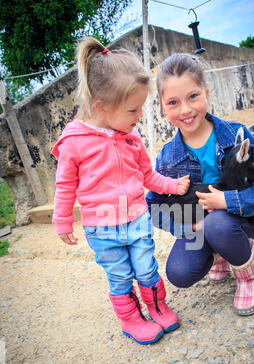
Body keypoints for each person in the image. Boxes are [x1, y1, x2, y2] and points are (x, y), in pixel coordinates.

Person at [52, 38, 190, 344]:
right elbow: (65, 186)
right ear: (102, 106)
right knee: (119, 276)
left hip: (136, 219)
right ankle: (130, 319)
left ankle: (156, 306)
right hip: (101, 227)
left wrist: (173, 186)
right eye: (133, 109)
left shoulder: (132, 138)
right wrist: (61, 220)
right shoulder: (74, 141)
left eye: (140, 107)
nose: (139, 115)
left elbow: (147, 175)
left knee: (146, 266)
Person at [146, 52, 254, 316]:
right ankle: (221, 253)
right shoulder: (167, 157)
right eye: (173, 102)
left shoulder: (236, 135)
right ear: (163, 107)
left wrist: (228, 201)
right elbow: (154, 207)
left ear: (206, 91)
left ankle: (246, 276)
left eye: (193, 96)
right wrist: (186, 224)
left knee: (219, 224)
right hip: (199, 225)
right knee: (179, 272)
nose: (185, 110)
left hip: (237, 219)